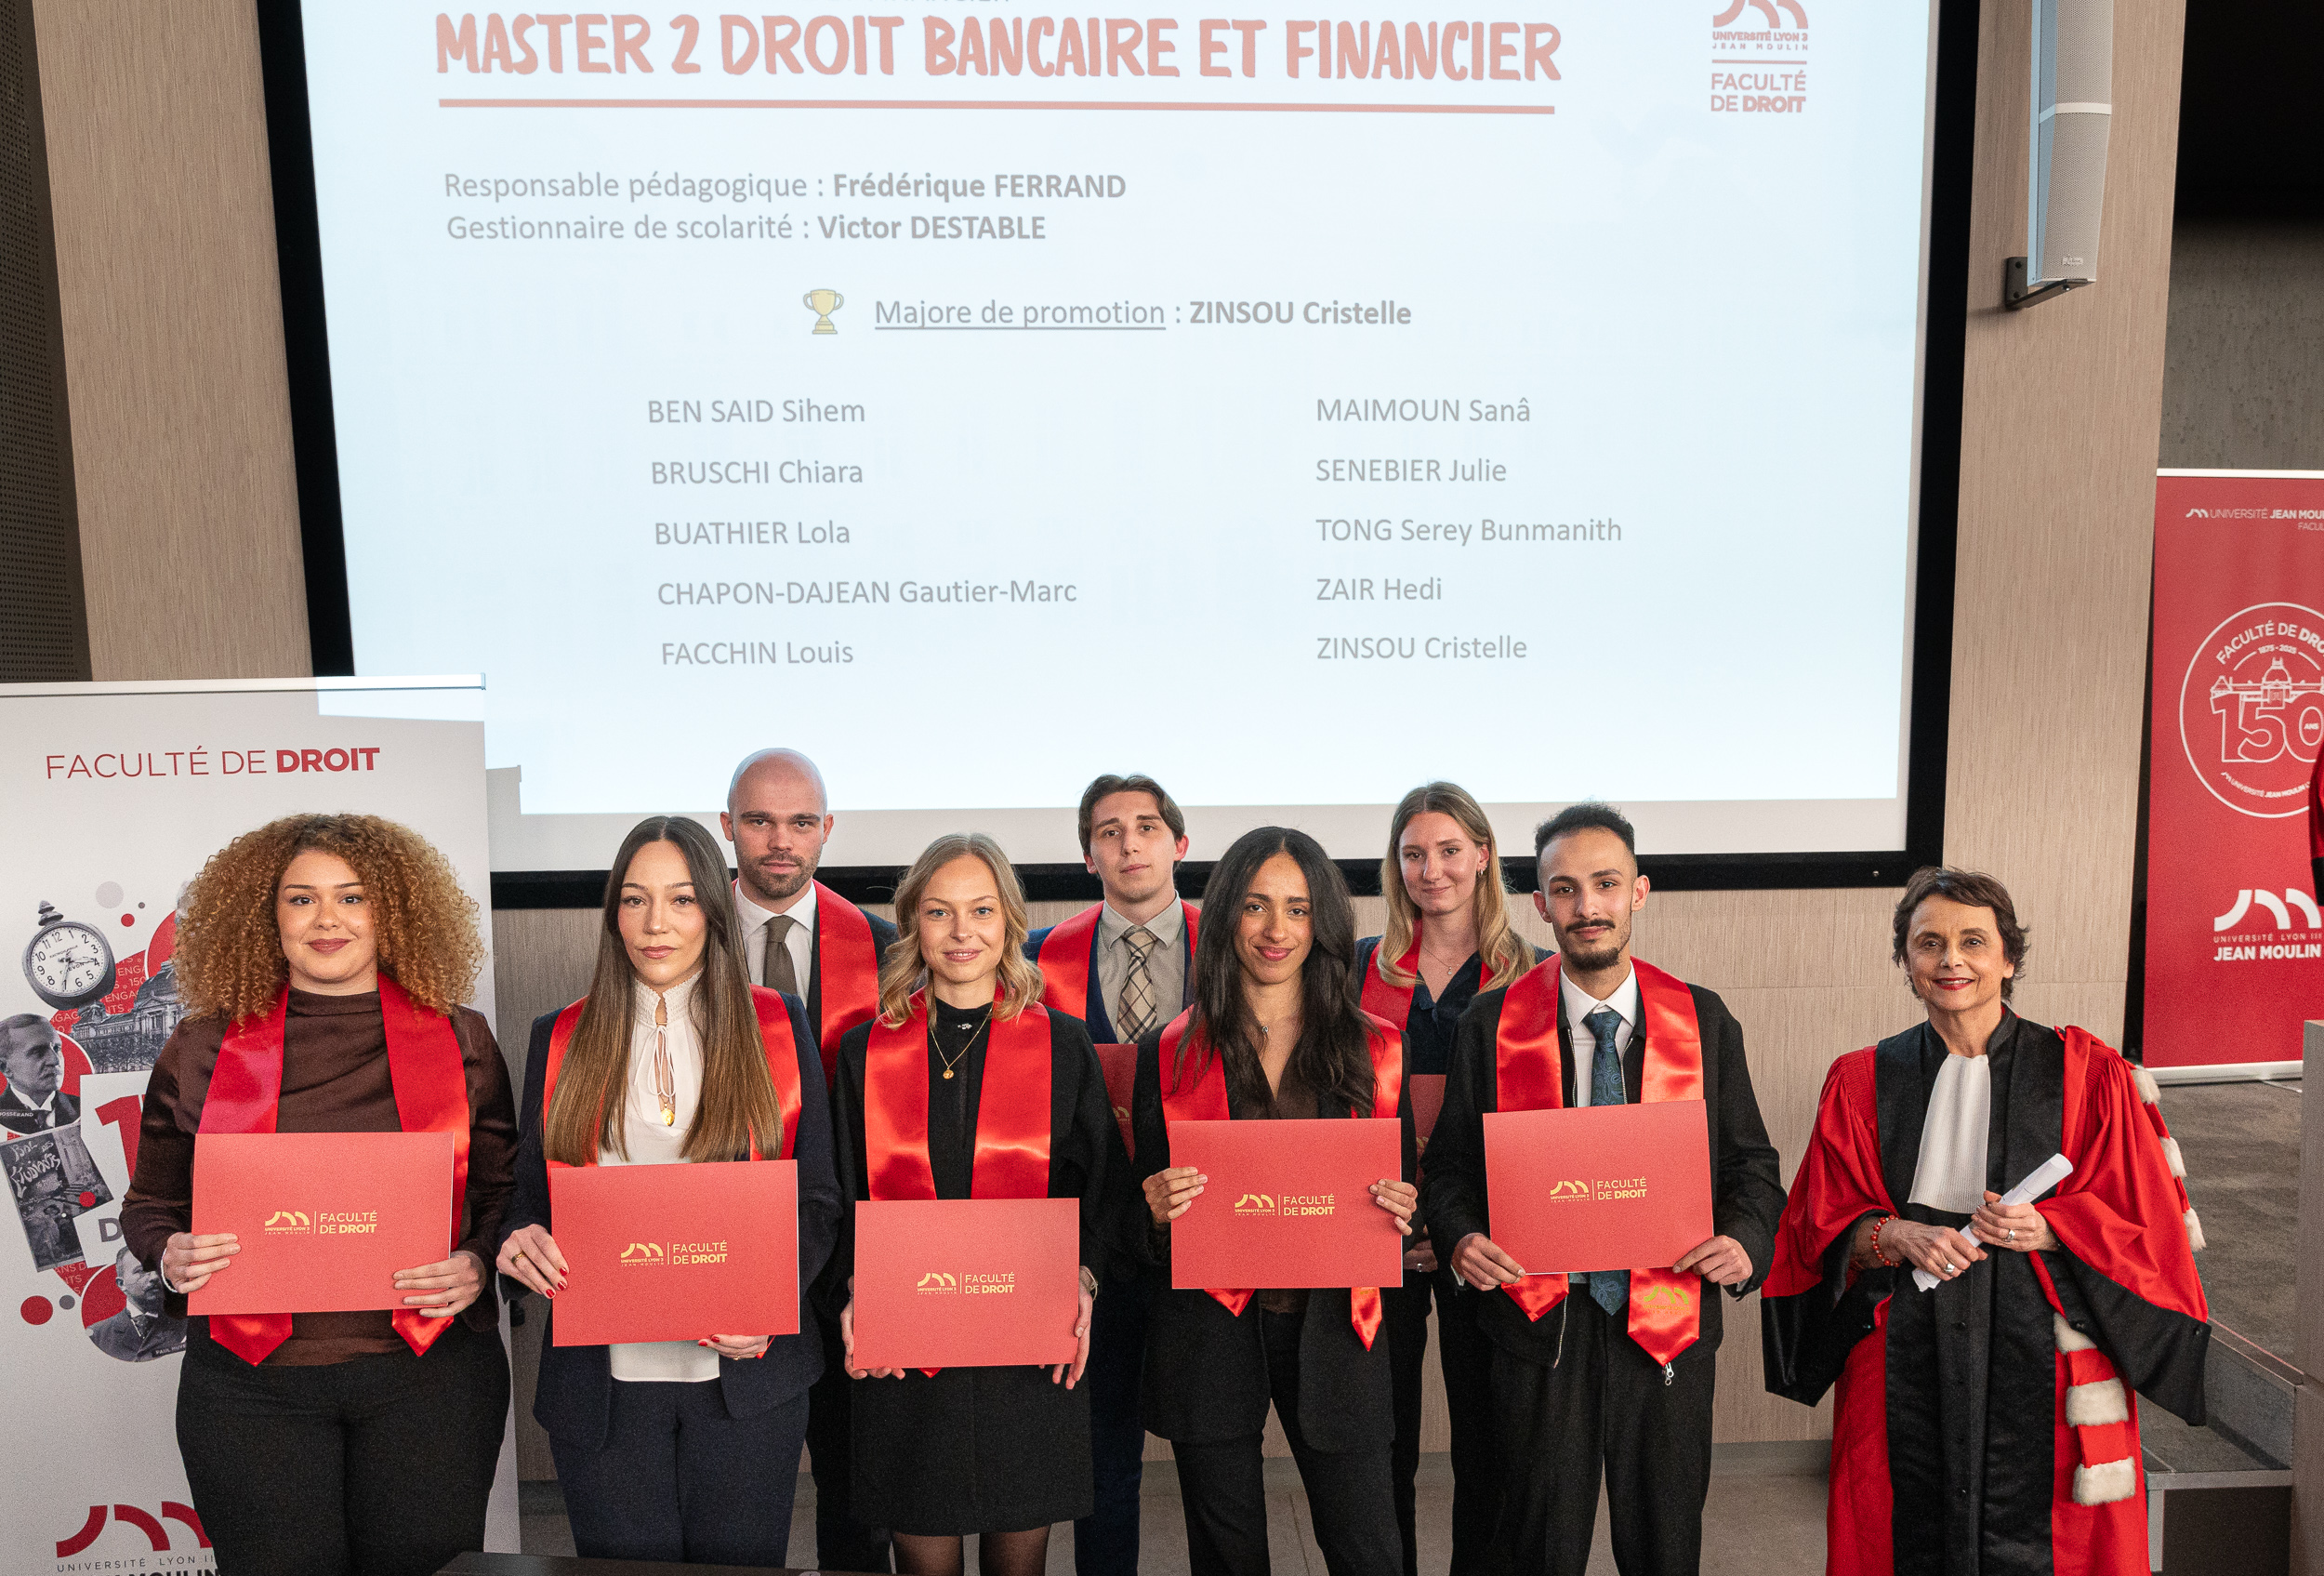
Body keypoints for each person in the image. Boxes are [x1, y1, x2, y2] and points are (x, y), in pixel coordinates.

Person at [1762, 867, 2210, 1576]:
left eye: (1973, 941)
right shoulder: (1861, 1080)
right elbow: (1815, 1221)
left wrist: (2055, 1227)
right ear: (1906, 961)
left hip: (2046, 1351)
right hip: (1902, 1351)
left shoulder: (2086, 1074)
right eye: (1929, 943)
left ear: (2008, 958)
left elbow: (2143, 1217)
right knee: (1893, 1527)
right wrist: (1890, 1233)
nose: (1951, 960)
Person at [120, 813, 517, 1576]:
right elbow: (150, 1203)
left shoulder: (460, 1037)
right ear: (265, 917)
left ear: (393, 912)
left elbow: (504, 1189)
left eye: (352, 896)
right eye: (301, 898)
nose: (327, 918)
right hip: (249, 1389)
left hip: (429, 1381)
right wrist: (168, 1253)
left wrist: (476, 1260)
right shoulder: (202, 1045)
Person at [1422, 802, 1785, 1576]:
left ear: (1639, 892)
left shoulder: (1703, 1020)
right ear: (1540, 904)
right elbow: (1449, 1170)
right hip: (1539, 1324)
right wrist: (1460, 1236)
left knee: (1665, 1545)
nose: (1587, 905)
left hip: (1668, 1320)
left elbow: (1752, 1166)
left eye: (1606, 883)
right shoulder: (1491, 1025)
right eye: (1565, 888)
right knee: (1535, 1545)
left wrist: (1745, 1240)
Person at [495, 814, 841, 1565]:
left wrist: (772, 1299)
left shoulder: (777, 1025)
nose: (656, 922)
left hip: (746, 1379)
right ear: (613, 912)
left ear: (714, 907)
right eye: (635, 898)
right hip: (604, 1385)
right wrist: (517, 1240)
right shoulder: (559, 1035)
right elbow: (526, 1199)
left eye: (681, 898)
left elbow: (816, 1198)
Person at [1132, 826, 1419, 1576]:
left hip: (1338, 1332)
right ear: (1227, 913)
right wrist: (1152, 1208)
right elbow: (1135, 1218)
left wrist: (1403, 1206)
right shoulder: (1171, 1051)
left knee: (1369, 1552)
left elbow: (1407, 1194)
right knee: (1227, 1557)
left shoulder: (1375, 1047)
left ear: (1322, 921)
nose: (1276, 929)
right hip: (1210, 1331)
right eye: (1256, 905)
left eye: (1298, 908)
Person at [830, 832, 1114, 1576]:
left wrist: (1083, 1279)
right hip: (908, 1353)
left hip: (1027, 1348)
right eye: (939, 911)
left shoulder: (1063, 1046)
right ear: (912, 923)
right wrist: (855, 1288)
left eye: (982, 910)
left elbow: (1100, 1191)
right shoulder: (865, 1051)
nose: (962, 932)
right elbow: (844, 1194)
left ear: (1010, 919)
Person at [720, 745, 899, 1571]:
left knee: (856, 1482)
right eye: (759, 820)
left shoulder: (888, 949)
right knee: (726, 1485)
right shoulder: (677, 933)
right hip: (725, 1244)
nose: (780, 840)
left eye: (799, 821)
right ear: (728, 826)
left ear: (828, 828)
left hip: (854, 1251)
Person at [1353, 783, 1533, 1576]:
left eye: (1450, 850)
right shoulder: (1357, 969)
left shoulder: (1532, 972)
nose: (1433, 870)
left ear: (1483, 855)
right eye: (1414, 853)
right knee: (1381, 1437)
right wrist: (1402, 1216)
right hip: (1377, 1229)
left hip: (1485, 1234)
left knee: (1488, 1438)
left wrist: (1453, 1223)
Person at [1023, 772, 1199, 1576]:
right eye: (1108, 831)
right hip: (1091, 1235)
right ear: (1088, 855)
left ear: (1180, 844)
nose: (1130, 843)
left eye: (1147, 826)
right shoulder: (1036, 957)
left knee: (1213, 1447)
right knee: (1105, 1454)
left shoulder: (1234, 945)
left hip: (1203, 1227)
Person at [89, 1243, 188, 1361]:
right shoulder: (98, 1334)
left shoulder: (187, 1322)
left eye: (159, 1269)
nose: (154, 1277)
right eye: (141, 1271)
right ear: (122, 1284)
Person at [0, 1015, 78, 1133]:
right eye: (38, 1052)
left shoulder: (83, 1107)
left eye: (57, 1048)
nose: (55, 1061)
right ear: (5, 1067)